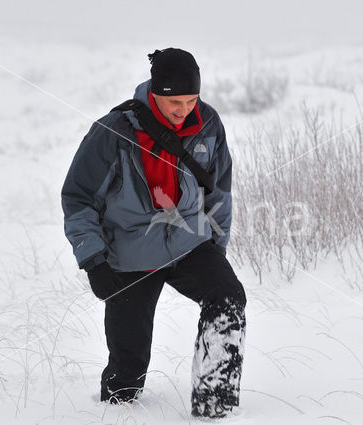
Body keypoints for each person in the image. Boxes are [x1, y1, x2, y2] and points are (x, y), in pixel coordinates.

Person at [61, 48, 246, 419]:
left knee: (228, 296)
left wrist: (216, 246)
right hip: (131, 252)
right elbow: (78, 198)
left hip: (188, 241)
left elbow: (219, 191)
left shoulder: (208, 124)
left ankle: (215, 404)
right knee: (125, 379)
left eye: (191, 99)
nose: (184, 109)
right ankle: (114, 414)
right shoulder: (113, 133)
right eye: (174, 100)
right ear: (154, 92)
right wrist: (93, 260)